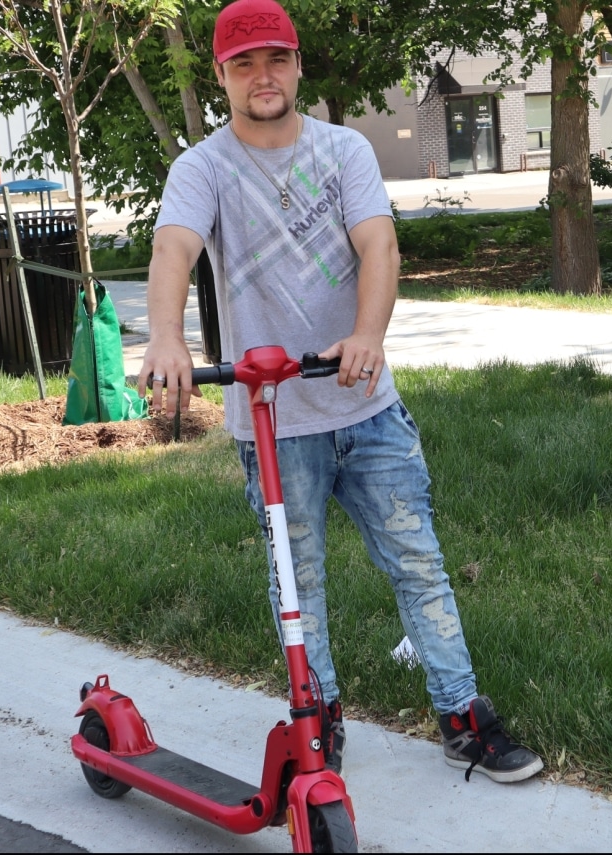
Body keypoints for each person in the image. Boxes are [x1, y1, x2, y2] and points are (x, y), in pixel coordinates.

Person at [137, 0, 542, 785]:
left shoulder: (345, 150)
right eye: (245, 63)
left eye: (276, 59)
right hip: (276, 420)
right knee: (301, 583)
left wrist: (368, 334)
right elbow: (172, 250)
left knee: (418, 561)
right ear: (222, 75)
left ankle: (462, 715)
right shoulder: (203, 168)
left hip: (367, 406)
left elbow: (378, 244)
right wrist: (163, 336)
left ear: (296, 65)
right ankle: (316, 720)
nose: (264, 76)